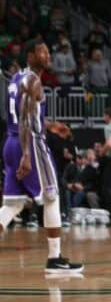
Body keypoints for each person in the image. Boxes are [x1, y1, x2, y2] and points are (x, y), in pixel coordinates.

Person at [0, 40, 83, 272]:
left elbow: (23, 116)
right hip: (30, 144)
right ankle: (55, 258)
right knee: (52, 197)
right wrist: (27, 155)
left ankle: (55, 258)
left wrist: (52, 125)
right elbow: (26, 119)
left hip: (11, 141)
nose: (48, 54)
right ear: (30, 56)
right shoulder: (34, 81)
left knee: (13, 205)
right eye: (42, 51)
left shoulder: (17, 79)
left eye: (48, 50)